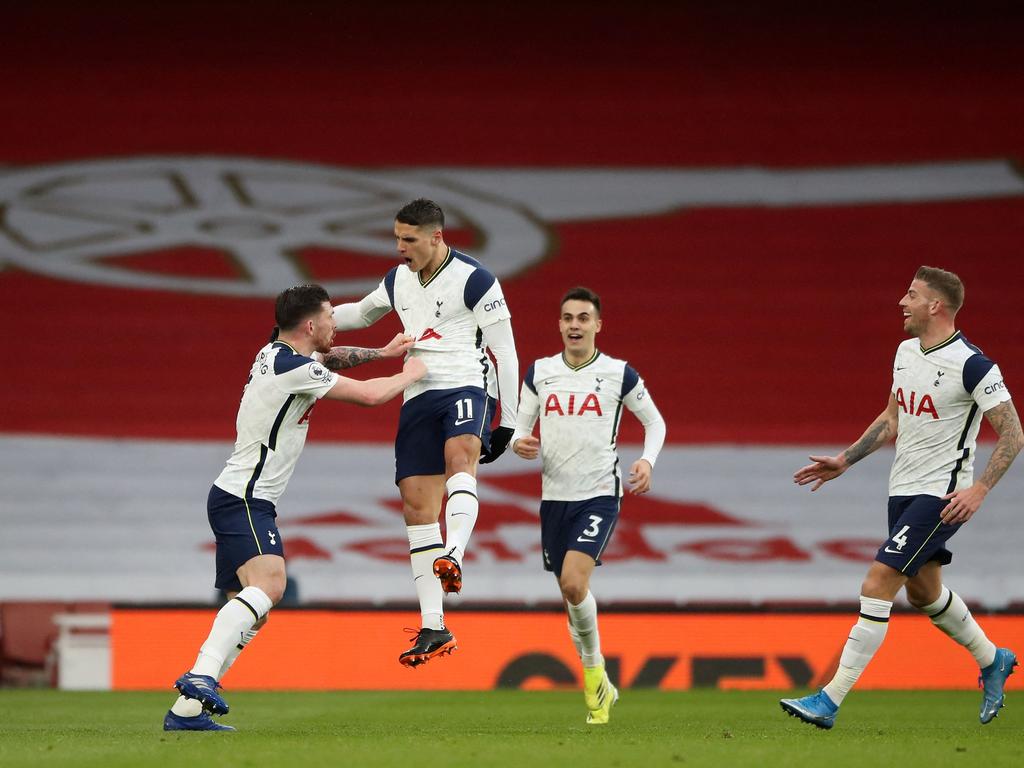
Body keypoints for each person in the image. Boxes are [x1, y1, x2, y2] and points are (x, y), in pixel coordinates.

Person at [165, 284, 425, 731]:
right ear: (310, 324)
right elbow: (368, 396)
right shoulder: (291, 367)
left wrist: (383, 352)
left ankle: (187, 713)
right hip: (246, 497)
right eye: (328, 317)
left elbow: (330, 357)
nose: (333, 323)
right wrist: (412, 372)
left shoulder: (279, 354)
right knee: (271, 584)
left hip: (237, 495)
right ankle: (200, 676)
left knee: (251, 608)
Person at [781, 266, 1023, 729]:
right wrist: (846, 459)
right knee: (924, 591)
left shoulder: (974, 366)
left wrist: (980, 488)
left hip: (941, 496)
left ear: (936, 306)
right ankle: (993, 659)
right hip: (901, 491)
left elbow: (1013, 434)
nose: (902, 302)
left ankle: (829, 700)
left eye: (911, 295)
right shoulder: (906, 351)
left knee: (877, 583)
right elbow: (893, 417)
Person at [331, 199, 519, 666]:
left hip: (467, 384)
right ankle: (434, 626)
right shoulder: (398, 281)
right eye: (396, 238)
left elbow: (506, 352)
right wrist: (310, 321)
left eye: (409, 239)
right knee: (417, 507)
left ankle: (453, 553)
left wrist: (511, 422)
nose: (400, 248)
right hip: (416, 392)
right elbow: (360, 313)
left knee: (460, 458)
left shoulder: (476, 279)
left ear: (436, 237)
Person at [511, 286, 666, 724]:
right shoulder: (540, 372)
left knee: (576, 584)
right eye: (568, 318)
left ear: (598, 324)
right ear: (559, 324)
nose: (575, 325)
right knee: (568, 591)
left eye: (583, 318)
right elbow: (521, 427)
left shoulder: (619, 374)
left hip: (599, 492)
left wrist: (647, 460)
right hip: (553, 497)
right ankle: (599, 678)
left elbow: (654, 422)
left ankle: (595, 672)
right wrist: (520, 444)